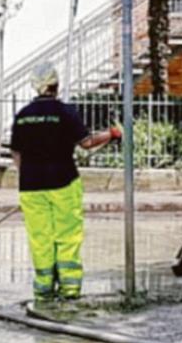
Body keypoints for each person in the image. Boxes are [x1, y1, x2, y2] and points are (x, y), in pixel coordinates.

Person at [8, 62, 122, 301]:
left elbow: (16, 154)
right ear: (56, 85)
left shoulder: (22, 116)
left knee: (40, 238)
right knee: (67, 236)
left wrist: (29, 176)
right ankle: (69, 290)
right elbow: (87, 142)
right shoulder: (66, 112)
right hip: (63, 182)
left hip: (31, 187)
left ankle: (43, 289)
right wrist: (111, 134)